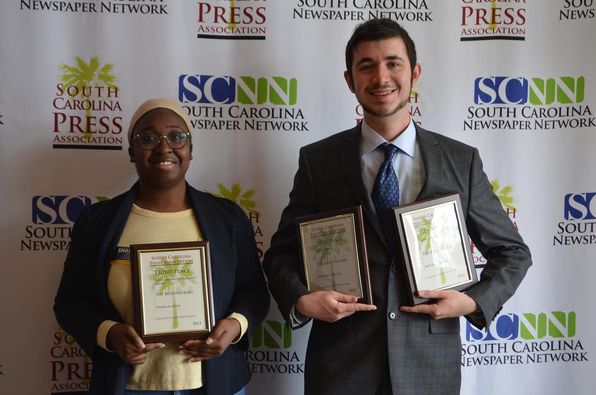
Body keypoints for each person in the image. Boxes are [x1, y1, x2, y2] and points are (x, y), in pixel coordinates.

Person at [263, 18, 531, 395]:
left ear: (415, 73)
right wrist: (303, 300)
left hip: (428, 367)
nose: (381, 77)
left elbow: (512, 253)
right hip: (340, 366)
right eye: (366, 66)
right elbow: (280, 256)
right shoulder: (318, 161)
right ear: (349, 80)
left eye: (393, 63)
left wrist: (471, 302)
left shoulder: (460, 160)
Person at [54, 98, 270, 395]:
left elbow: (254, 292)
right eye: (148, 138)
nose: (164, 147)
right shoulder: (97, 222)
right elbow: (70, 303)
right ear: (132, 152)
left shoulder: (227, 218)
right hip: (129, 387)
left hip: (216, 384)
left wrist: (234, 326)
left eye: (176, 136)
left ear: (190, 149)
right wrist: (110, 333)